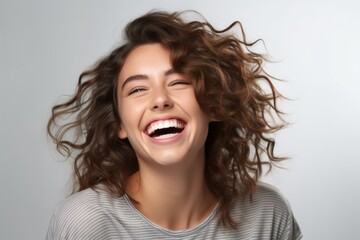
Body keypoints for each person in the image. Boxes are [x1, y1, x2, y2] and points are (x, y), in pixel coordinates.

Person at [46, 10, 302, 240]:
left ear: (213, 105)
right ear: (119, 124)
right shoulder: (84, 223)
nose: (159, 100)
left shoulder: (268, 214)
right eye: (137, 89)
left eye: (178, 82)